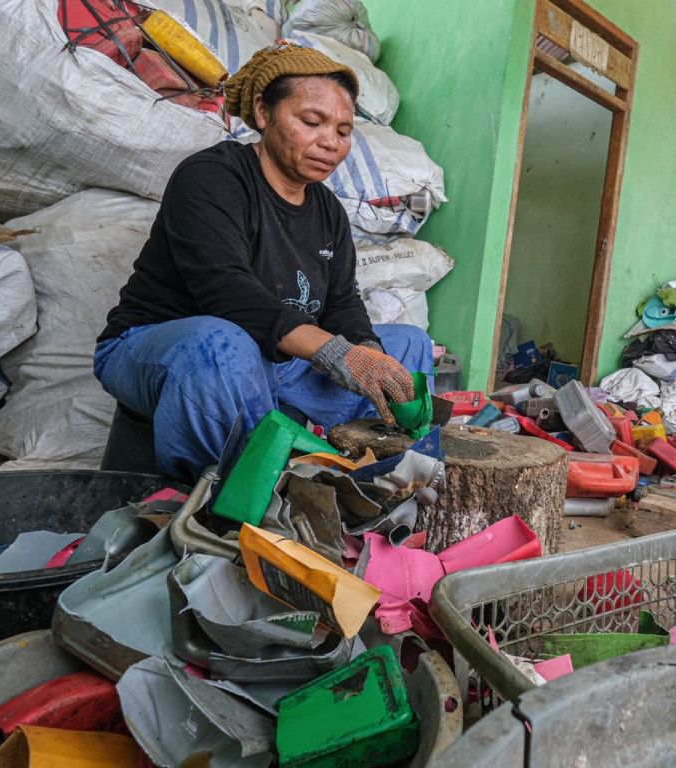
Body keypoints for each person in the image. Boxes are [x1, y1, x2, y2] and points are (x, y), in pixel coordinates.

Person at [94, 44, 432, 482]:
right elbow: (225, 291)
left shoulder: (328, 210)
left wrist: (365, 351)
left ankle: (362, 480)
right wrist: (334, 353)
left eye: (344, 131)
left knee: (406, 346)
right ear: (263, 112)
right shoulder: (211, 178)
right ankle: (232, 496)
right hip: (170, 347)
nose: (330, 142)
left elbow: (342, 302)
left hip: (273, 359)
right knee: (221, 343)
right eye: (311, 122)